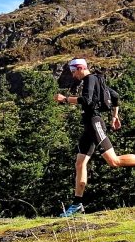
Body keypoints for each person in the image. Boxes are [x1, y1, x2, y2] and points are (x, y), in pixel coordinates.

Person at [54, 58, 135, 217]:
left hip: (94, 123)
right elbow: (115, 96)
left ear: (79, 68)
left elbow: (87, 101)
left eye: (73, 72)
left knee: (114, 161)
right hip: (89, 128)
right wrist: (115, 116)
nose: (73, 76)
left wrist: (64, 99)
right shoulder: (98, 80)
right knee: (80, 163)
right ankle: (77, 204)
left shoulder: (89, 79)